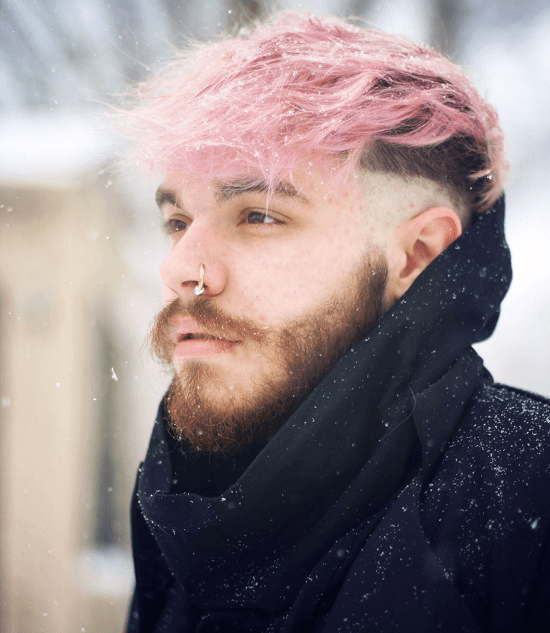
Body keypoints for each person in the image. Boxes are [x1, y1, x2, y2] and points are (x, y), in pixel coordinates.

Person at [119, 12, 550, 632]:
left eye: (259, 215)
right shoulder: (181, 512)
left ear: (418, 254)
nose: (181, 267)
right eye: (179, 222)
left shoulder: (525, 496)